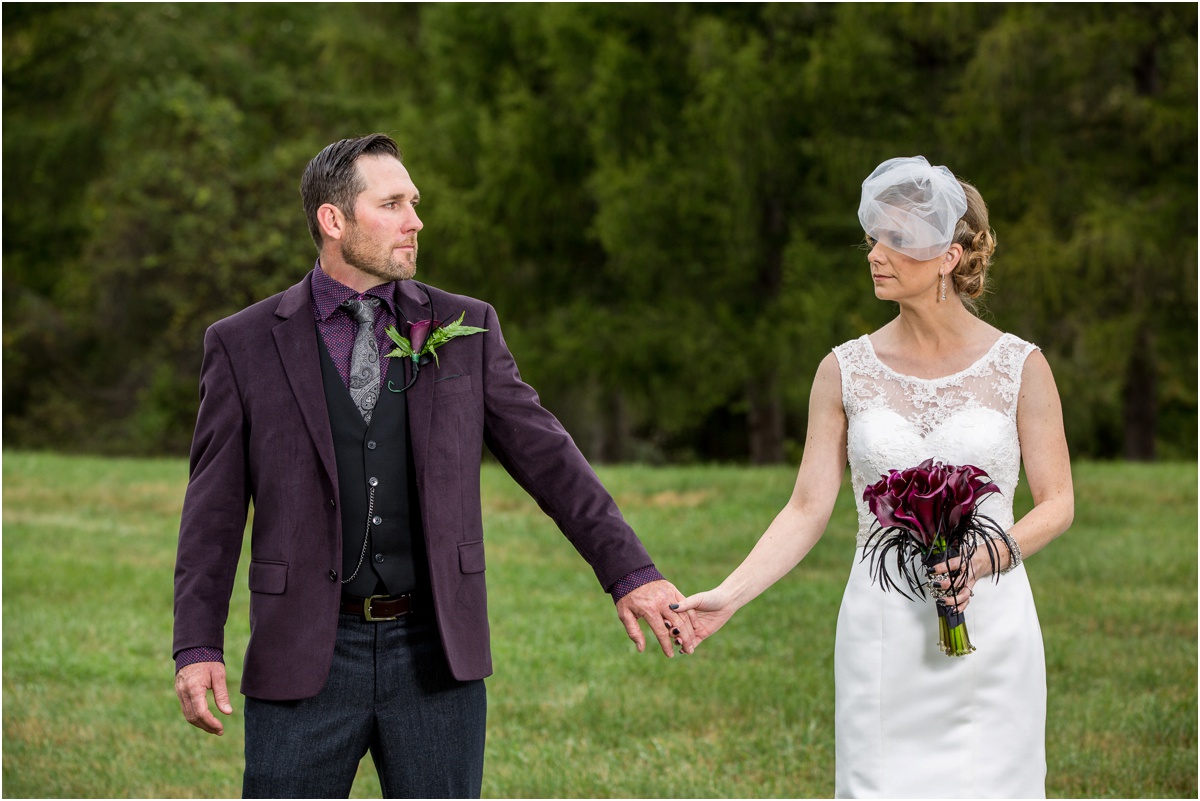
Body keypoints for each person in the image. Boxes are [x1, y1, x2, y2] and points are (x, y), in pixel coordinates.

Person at [172, 133, 698, 798]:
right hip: (302, 648)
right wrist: (197, 646)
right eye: (392, 203)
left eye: (414, 202)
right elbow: (211, 514)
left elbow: (550, 459)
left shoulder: (464, 328)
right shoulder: (242, 343)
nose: (415, 220)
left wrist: (631, 573)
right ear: (334, 221)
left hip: (435, 654)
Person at [675, 156, 1074, 798]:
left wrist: (982, 559)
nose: (876, 254)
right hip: (881, 627)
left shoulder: (1020, 366)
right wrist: (730, 595)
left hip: (992, 625)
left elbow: (1057, 503)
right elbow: (807, 508)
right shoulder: (844, 370)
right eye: (874, 237)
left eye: (899, 239)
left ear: (949, 255)